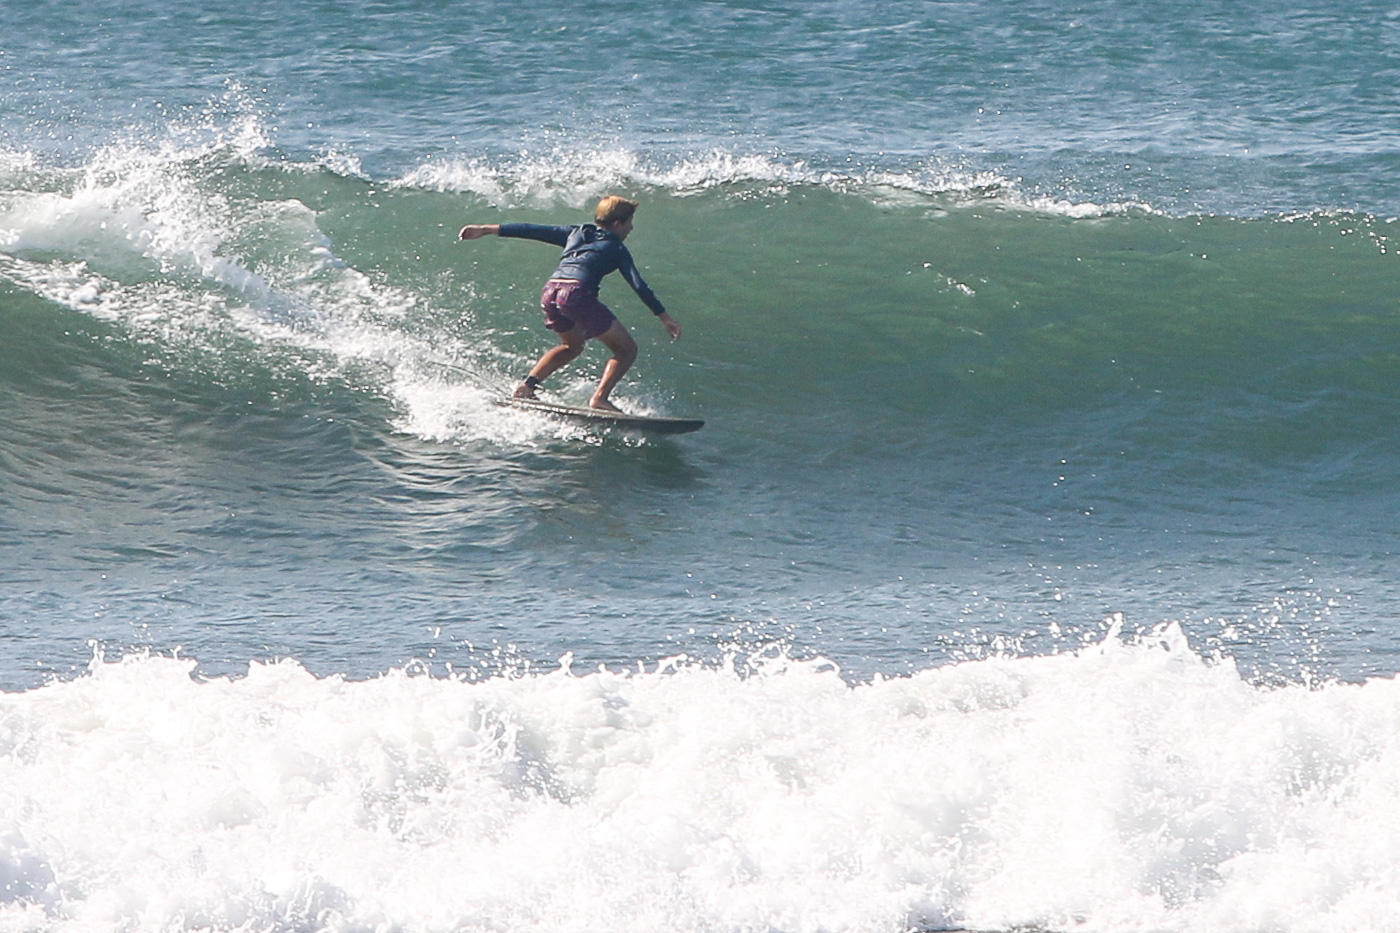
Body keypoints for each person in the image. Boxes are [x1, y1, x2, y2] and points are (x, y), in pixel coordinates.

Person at [458, 196, 681, 412]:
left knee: (572, 346)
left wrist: (485, 229)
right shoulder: (616, 247)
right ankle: (600, 399)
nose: (631, 229)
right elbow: (638, 284)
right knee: (626, 349)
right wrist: (664, 317)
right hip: (576, 293)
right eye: (629, 223)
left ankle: (526, 387)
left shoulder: (577, 232)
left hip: (550, 291)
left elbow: (532, 230)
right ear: (617, 223)